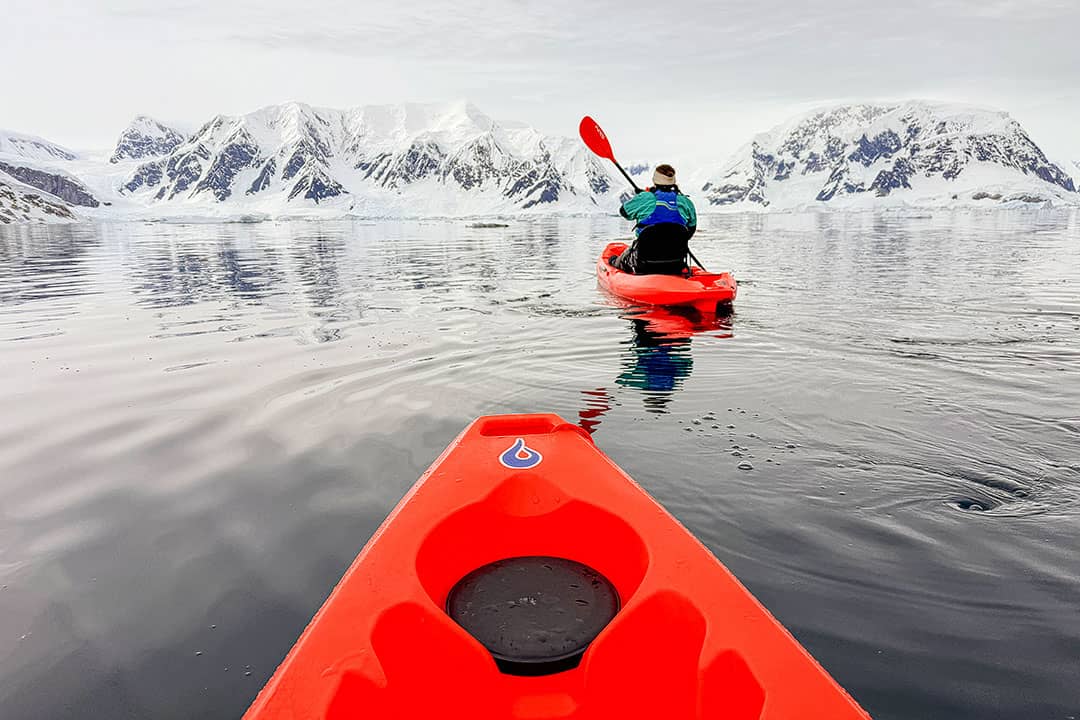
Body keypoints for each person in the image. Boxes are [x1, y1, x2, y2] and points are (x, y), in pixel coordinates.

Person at [610, 164, 698, 275]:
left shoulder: (645, 198)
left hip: (644, 262)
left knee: (613, 261)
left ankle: (616, 263)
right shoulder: (685, 202)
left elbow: (624, 212)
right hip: (676, 262)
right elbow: (691, 230)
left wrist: (641, 198)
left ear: (654, 180)